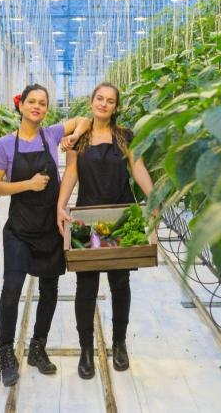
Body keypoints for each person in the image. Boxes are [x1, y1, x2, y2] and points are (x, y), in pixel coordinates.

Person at [0, 84, 91, 387]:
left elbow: (83, 120)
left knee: (50, 289)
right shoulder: (5, 144)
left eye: (42, 103)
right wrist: (27, 185)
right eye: (31, 101)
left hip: (50, 227)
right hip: (19, 229)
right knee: (11, 288)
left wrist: (73, 135)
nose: (37, 106)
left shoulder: (52, 134)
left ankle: (37, 347)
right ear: (20, 106)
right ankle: (6, 351)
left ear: (47, 109)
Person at [56, 82, 154, 379]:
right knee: (86, 286)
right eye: (100, 98)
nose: (104, 104)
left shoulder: (125, 137)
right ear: (91, 101)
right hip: (87, 216)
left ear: (116, 106)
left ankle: (119, 343)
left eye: (110, 101)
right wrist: (60, 206)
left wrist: (155, 198)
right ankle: (86, 349)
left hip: (122, 216)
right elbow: (71, 172)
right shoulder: (80, 138)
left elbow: (137, 168)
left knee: (120, 283)